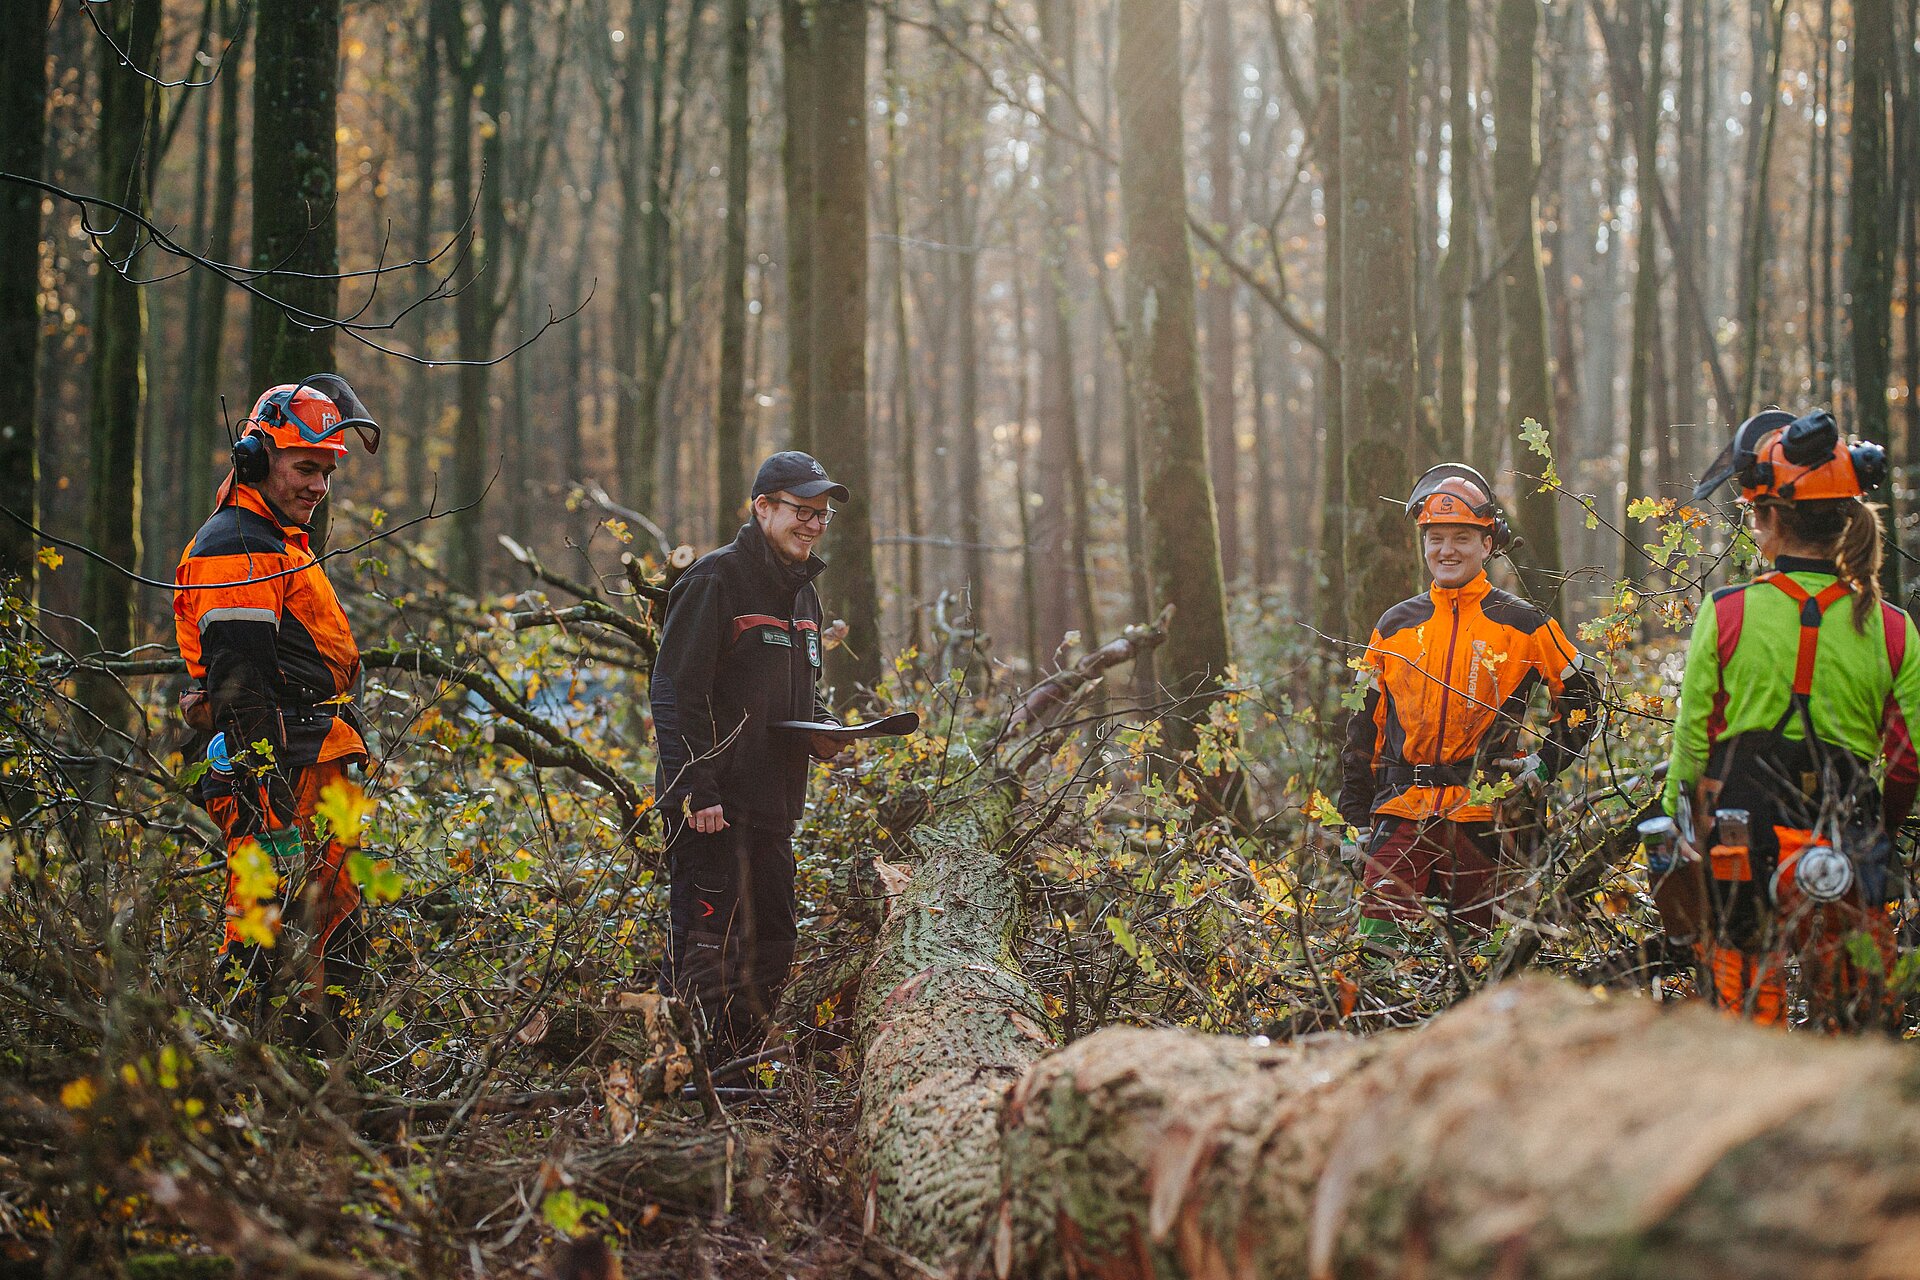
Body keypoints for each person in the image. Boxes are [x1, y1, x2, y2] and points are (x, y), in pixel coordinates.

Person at [1667, 408, 1919, 1030]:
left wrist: (1681, 826)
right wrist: (1878, 827)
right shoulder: (1893, 629)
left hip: (1738, 836)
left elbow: (1692, 743)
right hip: (1850, 833)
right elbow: (1910, 758)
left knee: (1743, 1016)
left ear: (1769, 518)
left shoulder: (1726, 612)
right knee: (1858, 1022)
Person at [173, 375, 382, 1047]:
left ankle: (333, 1069)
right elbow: (241, 688)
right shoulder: (238, 547)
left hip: (316, 760)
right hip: (281, 769)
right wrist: (267, 797)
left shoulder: (277, 540)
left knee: (338, 924)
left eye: (325, 472)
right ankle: (240, 1071)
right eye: (304, 467)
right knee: (261, 925)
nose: (318, 486)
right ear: (257, 461)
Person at [1339, 464, 1598, 952]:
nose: (1447, 550)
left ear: (1487, 543)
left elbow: (1584, 698)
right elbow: (1362, 730)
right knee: (1378, 952)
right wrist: (1354, 818)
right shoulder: (1394, 626)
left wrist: (1543, 765)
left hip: (1484, 813)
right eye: (1436, 538)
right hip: (1400, 809)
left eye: (1462, 536)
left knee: (1478, 958)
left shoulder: (1524, 623)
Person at [650, 451, 851, 1062]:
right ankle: (690, 1083)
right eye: (801, 511)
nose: (813, 524)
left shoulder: (803, 595)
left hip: (773, 803)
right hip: (713, 804)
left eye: (821, 515)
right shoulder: (717, 579)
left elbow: (801, 694)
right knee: (709, 944)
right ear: (762, 508)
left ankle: (739, 1073)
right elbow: (675, 691)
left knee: (772, 943)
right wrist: (696, 789)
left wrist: (827, 732)